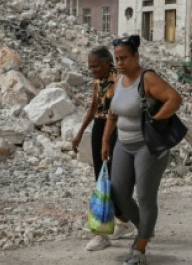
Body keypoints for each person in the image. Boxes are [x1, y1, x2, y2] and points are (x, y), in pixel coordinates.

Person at [101, 35, 183, 265]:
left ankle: (140, 248)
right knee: (119, 194)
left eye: (124, 58)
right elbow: (112, 113)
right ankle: (144, 229)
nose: (120, 63)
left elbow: (174, 99)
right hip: (123, 145)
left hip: (148, 147)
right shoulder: (119, 80)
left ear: (136, 56)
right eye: (117, 59)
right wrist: (106, 141)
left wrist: (156, 120)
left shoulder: (147, 78)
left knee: (146, 197)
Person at [72, 46, 135, 251]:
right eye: (90, 66)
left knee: (111, 182)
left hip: (116, 131)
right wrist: (81, 131)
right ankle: (124, 222)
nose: (92, 70)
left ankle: (103, 232)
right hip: (99, 129)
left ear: (108, 63)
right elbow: (93, 106)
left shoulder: (120, 80)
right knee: (101, 178)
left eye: (96, 66)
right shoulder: (98, 80)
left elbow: (117, 111)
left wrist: (107, 139)